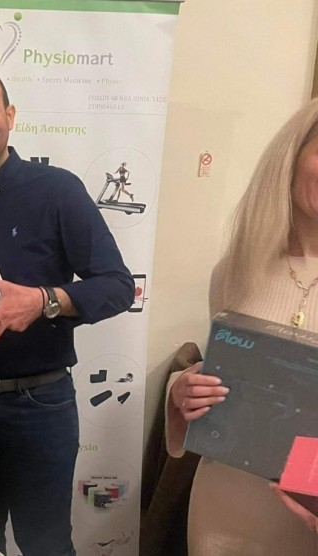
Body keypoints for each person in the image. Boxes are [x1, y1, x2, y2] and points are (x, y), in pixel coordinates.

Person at [0, 66, 135, 556]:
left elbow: (118, 286)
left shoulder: (57, 191)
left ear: (10, 115)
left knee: (46, 545)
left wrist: (44, 301)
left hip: (36, 406)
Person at [166, 98, 318, 555]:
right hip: (224, 504)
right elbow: (222, 378)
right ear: (292, 156)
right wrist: (181, 391)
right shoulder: (236, 270)